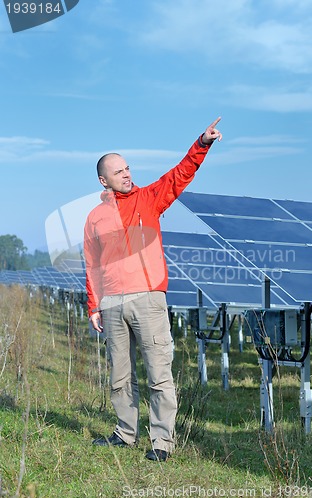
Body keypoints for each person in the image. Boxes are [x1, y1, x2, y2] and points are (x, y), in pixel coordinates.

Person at [84, 118, 222, 461]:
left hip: (148, 299)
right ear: (104, 180)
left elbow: (179, 175)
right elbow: (92, 264)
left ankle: (161, 442)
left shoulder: (150, 198)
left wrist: (201, 143)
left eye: (128, 168)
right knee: (120, 374)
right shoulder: (95, 217)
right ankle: (125, 432)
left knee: (158, 372)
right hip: (112, 302)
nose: (127, 174)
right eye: (119, 172)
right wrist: (94, 305)